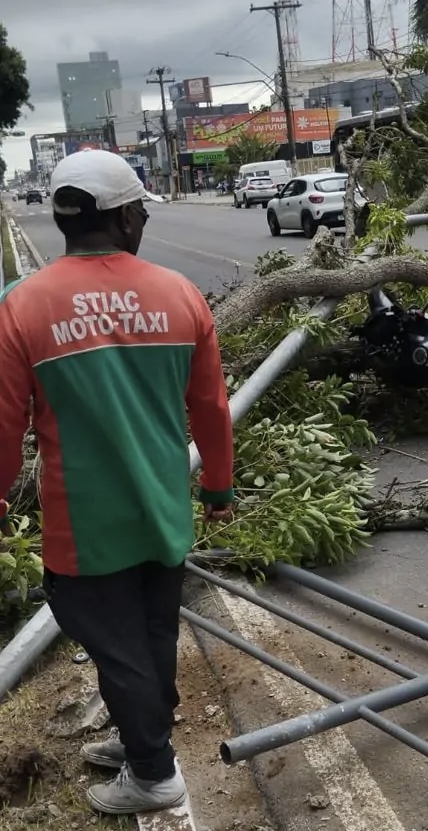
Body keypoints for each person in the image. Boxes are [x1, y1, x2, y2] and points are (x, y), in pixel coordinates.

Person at [0, 150, 235, 815]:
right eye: (141, 213)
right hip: (162, 511)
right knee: (150, 635)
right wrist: (218, 488)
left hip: (84, 524)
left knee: (116, 645)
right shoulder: (180, 294)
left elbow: (3, 428)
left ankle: (154, 773)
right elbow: (212, 408)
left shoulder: (21, 308)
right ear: (126, 215)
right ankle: (143, 742)